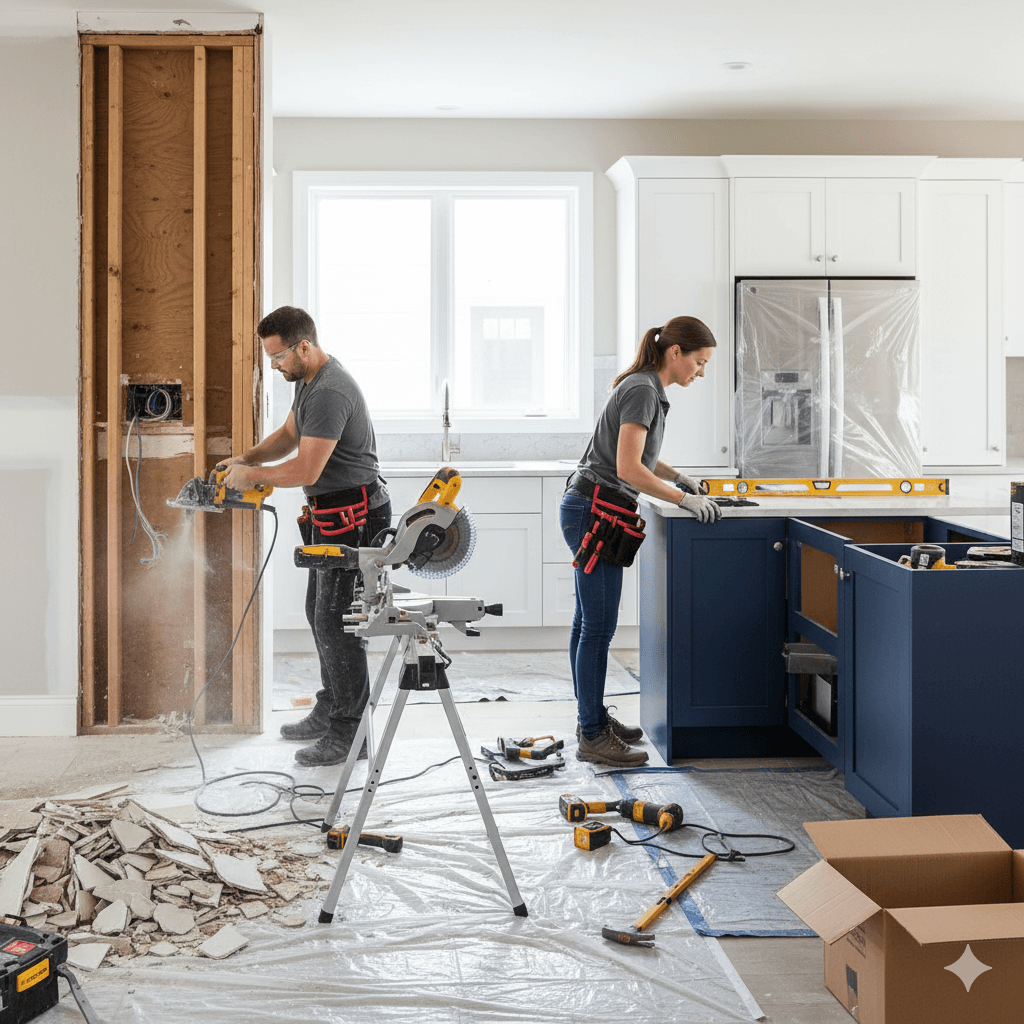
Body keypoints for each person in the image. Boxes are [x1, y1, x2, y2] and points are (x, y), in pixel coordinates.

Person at [221, 306, 391, 767]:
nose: (275, 366)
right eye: (270, 358)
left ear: (303, 347)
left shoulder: (331, 391)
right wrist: (246, 458)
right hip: (332, 513)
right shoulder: (309, 382)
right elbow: (289, 435)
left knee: (338, 622)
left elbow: (306, 469)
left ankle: (351, 733)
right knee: (319, 614)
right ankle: (331, 708)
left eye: (278, 357)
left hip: (357, 517)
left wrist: (252, 476)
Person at [560, 316, 723, 768]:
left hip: (593, 505)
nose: (701, 372)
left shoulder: (646, 387)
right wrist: (683, 499)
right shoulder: (643, 389)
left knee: (587, 623)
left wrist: (677, 476)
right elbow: (628, 468)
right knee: (597, 628)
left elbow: (638, 454)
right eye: (700, 362)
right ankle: (592, 734)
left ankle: (591, 719)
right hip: (595, 509)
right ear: (676, 352)